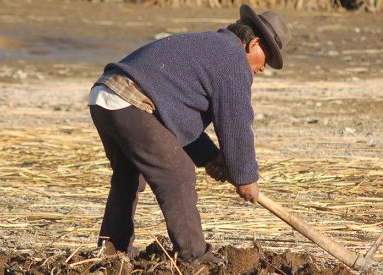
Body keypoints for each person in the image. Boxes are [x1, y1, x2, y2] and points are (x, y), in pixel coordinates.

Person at [88, 4, 291, 263]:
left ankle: (111, 251)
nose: (264, 68)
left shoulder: (212, 48)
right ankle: (196, 257)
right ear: (254, 44)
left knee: (128, 175)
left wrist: (211, 158)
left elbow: (175, 120)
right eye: (267, 57)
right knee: (178, 173)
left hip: (105, 96)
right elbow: (236, 122)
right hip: (130, 101)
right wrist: (245, 175)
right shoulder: (232, 59)